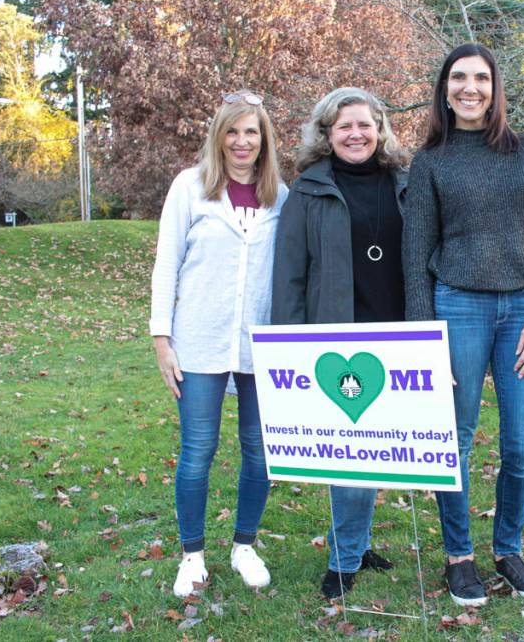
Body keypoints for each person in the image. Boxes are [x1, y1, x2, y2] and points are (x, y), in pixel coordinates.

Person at [402, 43, 524, 606]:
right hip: (457, 309)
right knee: (456, 441)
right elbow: (416, 252)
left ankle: (509, 549)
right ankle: (459, 556)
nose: (469, 88)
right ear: (444, 89)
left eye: (480, 79)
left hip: (522, 312)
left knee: (521, 444)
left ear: (495, 89)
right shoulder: (430, 162)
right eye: (458, 79)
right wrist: (425, 340)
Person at [272, 87, 409, 599]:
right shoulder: (307, 191)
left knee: (375, 451)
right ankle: (344, 559)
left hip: (398, 335)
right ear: (327, 135)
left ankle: (355, 538)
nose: (355, 134)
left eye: (364, 124)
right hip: (336, 336)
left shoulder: (406, 184)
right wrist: (288, 348)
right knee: (351, 453)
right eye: (343, 126)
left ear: (380, 129)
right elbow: (288, 275)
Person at [149, 91, 288, 598]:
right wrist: (162, 339)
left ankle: (244, 545)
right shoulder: (190, 188)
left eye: (251, 131)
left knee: (260, 451)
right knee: (198, 451)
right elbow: (167, 266)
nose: (242, 141)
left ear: (264, 138)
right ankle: (192, 555)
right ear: (218, 136)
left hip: (261, 345)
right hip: (200, 341)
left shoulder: (281, 195)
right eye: (232, 131)